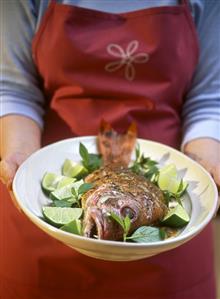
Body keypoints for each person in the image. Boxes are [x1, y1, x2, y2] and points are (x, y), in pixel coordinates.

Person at [0, 0, 220, 298]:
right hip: (42, 210)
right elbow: (14, 87)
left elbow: (208, 97)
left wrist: (206, 162)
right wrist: (21, 156)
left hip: (170, 253)